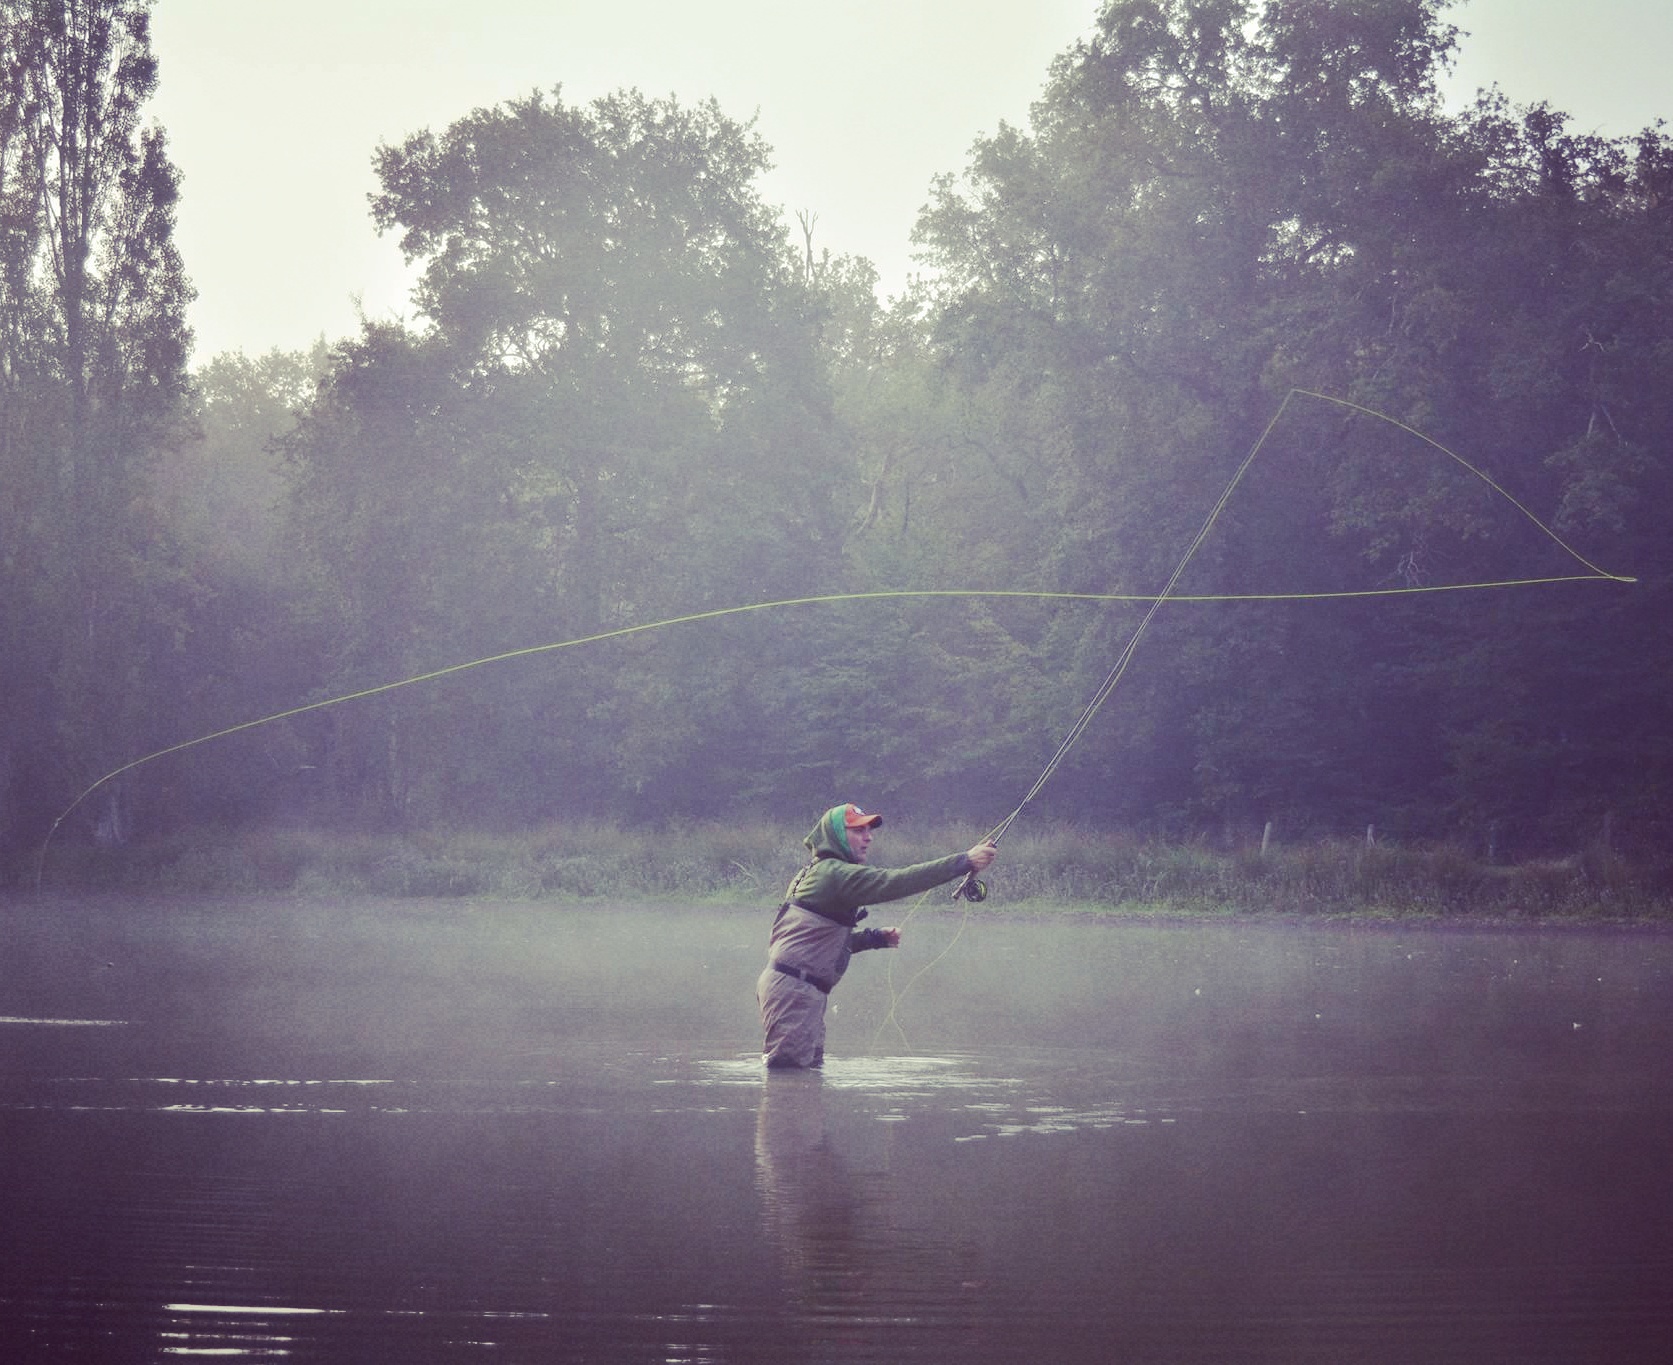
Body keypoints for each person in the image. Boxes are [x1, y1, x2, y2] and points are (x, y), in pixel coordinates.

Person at [756, 803, 998, 1069]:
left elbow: (813, 943)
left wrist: (874, 939)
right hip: (796, 992)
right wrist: (964, 862)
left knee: (804, 1077)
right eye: (859, 830)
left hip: (798, 990)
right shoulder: (834, 874)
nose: (868, 837)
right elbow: (893, 881)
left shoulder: (819, 872)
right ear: (835, 836)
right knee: (788, 1079)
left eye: (869, 830)